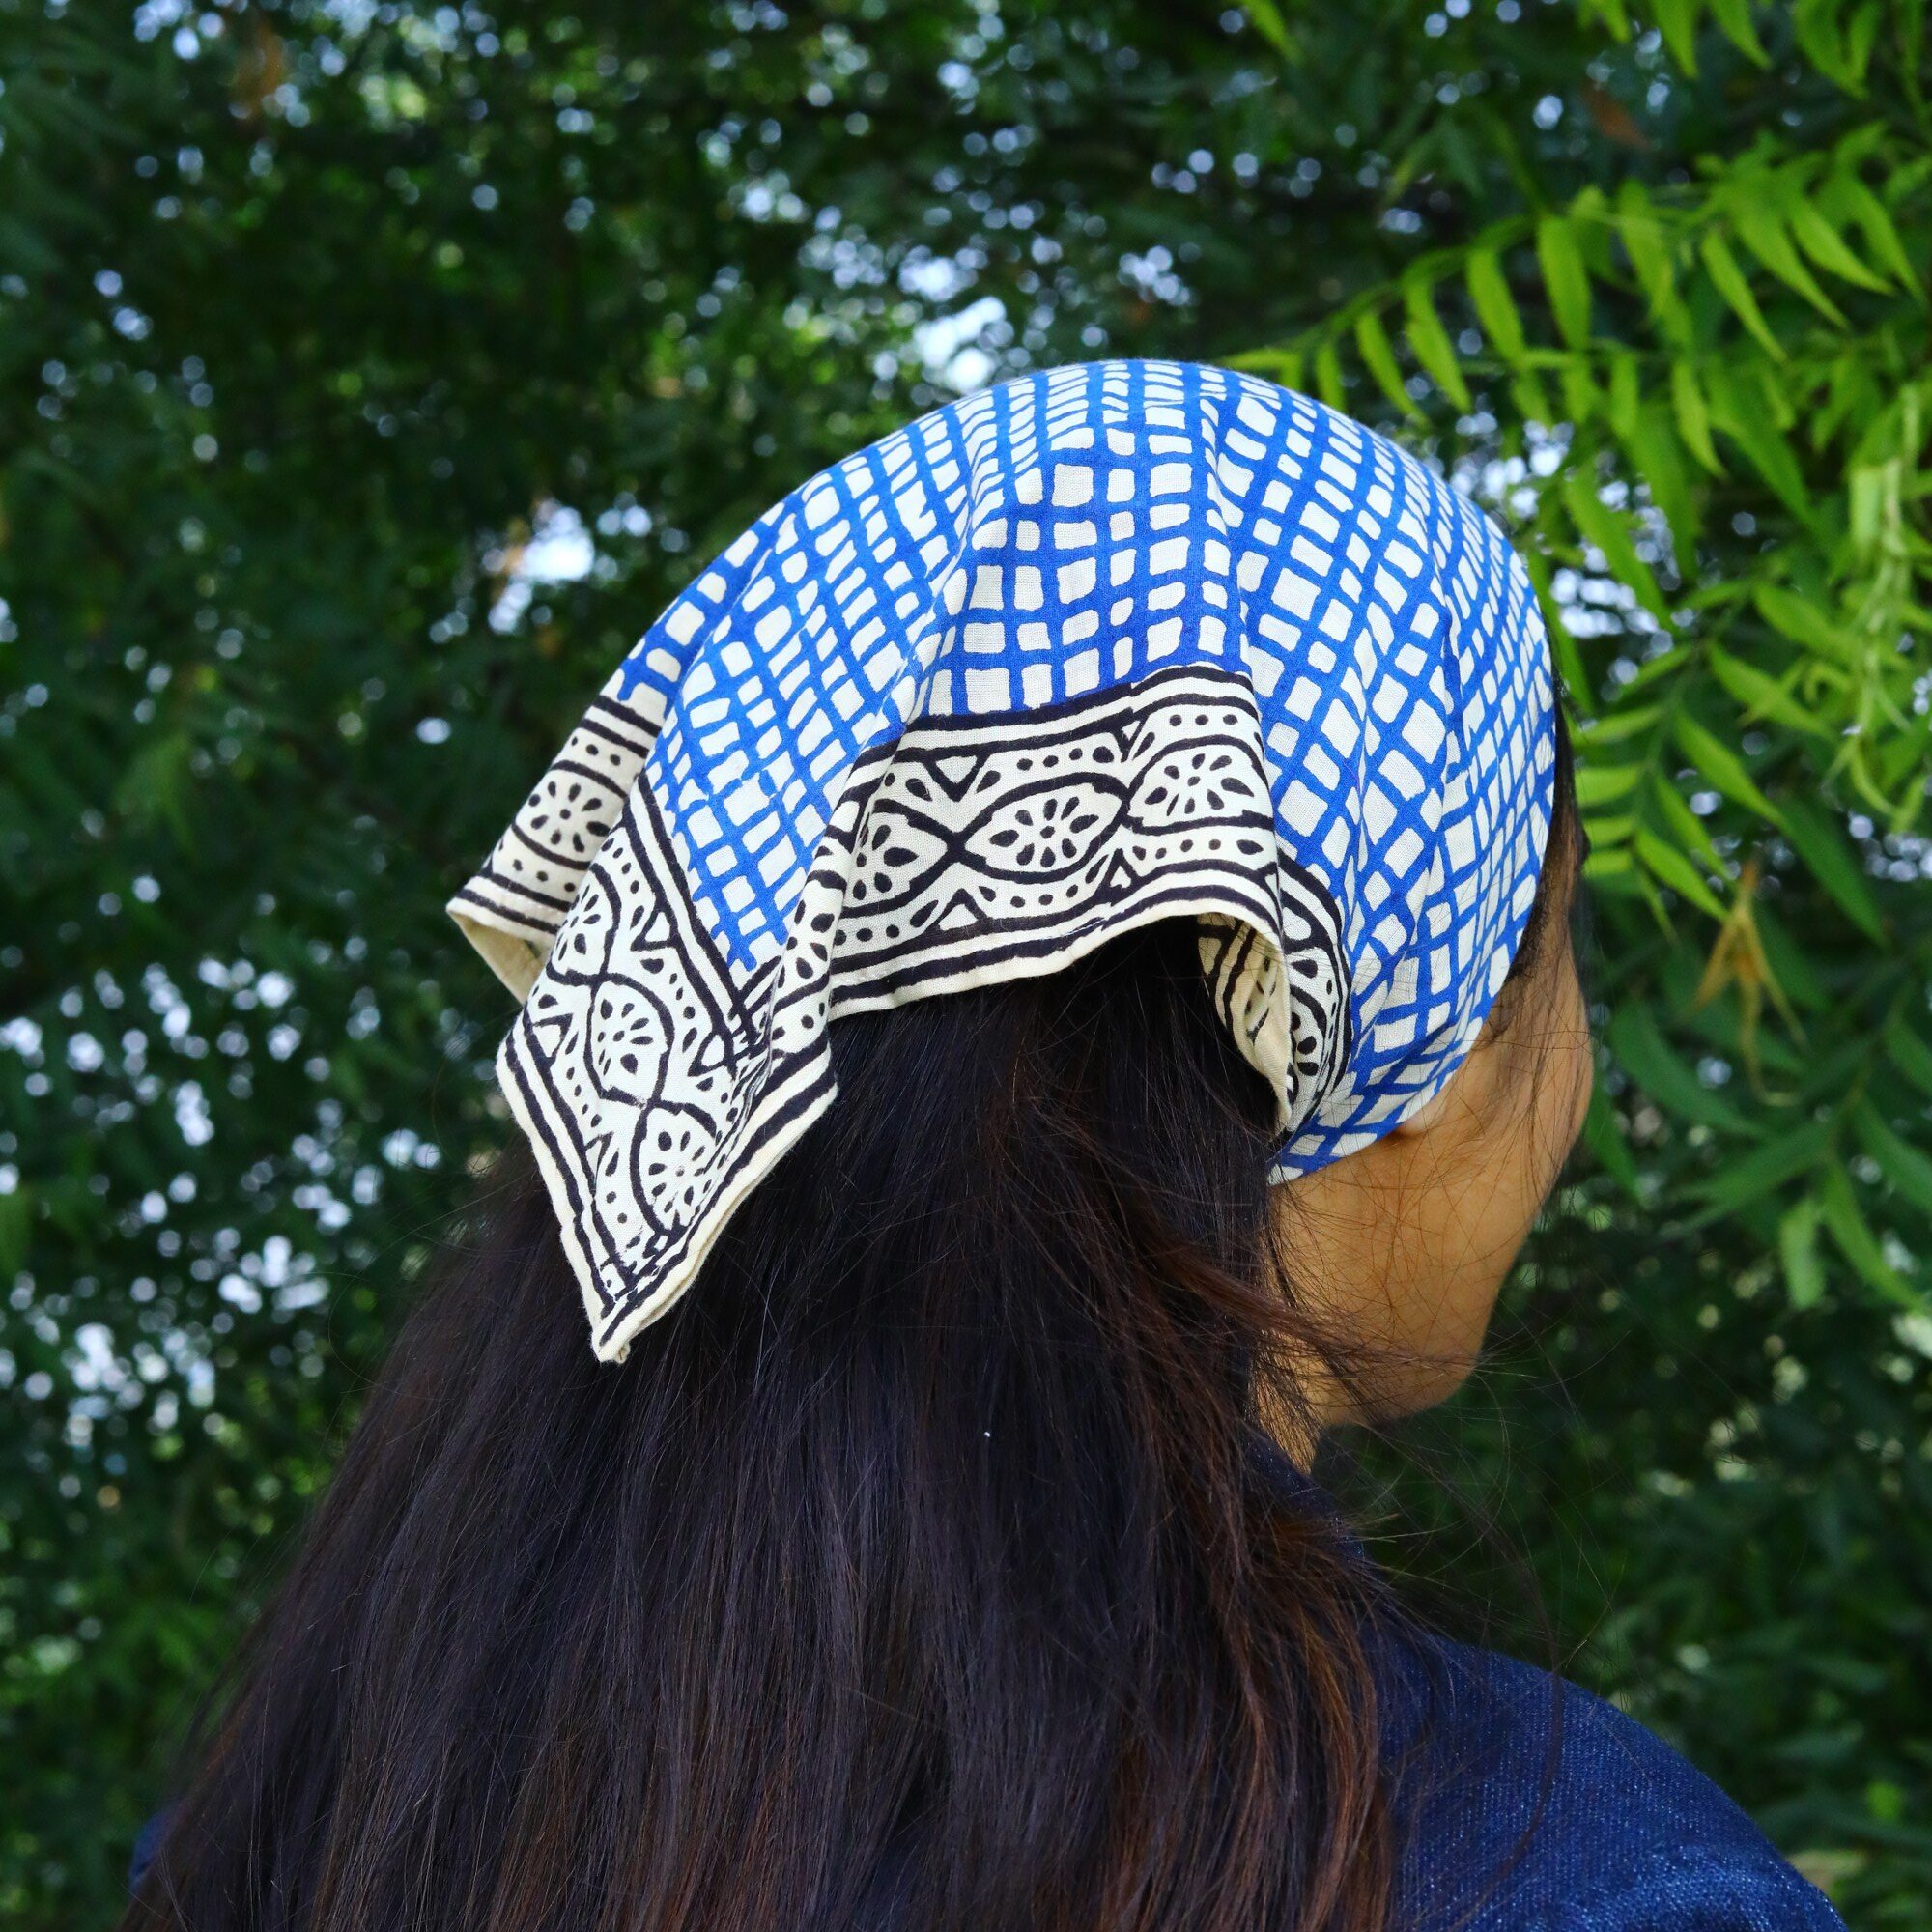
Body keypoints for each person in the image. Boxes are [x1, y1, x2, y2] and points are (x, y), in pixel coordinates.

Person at [124, 361, 1842, 1931]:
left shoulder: (315, 1813)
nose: (1578, 1072)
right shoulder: (1588, 1888)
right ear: (1385, 1032)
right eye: (1554, 956)